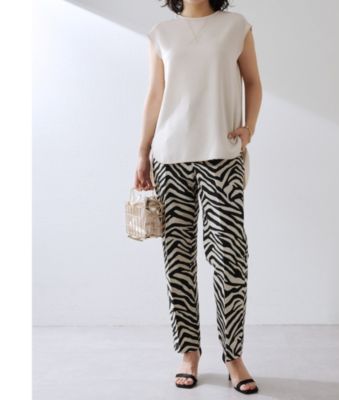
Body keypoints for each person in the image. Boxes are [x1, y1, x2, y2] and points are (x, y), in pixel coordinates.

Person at [134, 0, 262, 394]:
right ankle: (188, 351)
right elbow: (156, 93)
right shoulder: (161, 33)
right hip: (170, 158)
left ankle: (233, 356)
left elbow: (253, 82)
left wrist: (249, 127)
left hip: (222, 155)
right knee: (178, 259)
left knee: (229, 257)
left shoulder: (236, 26)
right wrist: (142, 151)